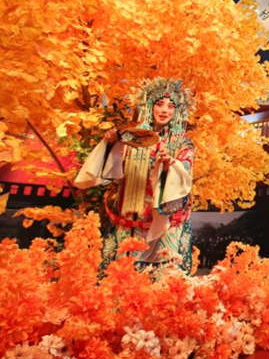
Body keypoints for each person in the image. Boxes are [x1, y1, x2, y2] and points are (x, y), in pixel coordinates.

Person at [75, 78, 195, 272]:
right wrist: (111, 143)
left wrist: (169, 165)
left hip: (164, 222)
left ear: (177, 111)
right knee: (123, 275)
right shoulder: (132, 135)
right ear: (149, 106)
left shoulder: (182, 142)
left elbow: (185, 172)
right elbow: (111, 170)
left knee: (164, 280)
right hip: (130, 216)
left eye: (171, 106)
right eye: (159, 104)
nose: (164, 110)